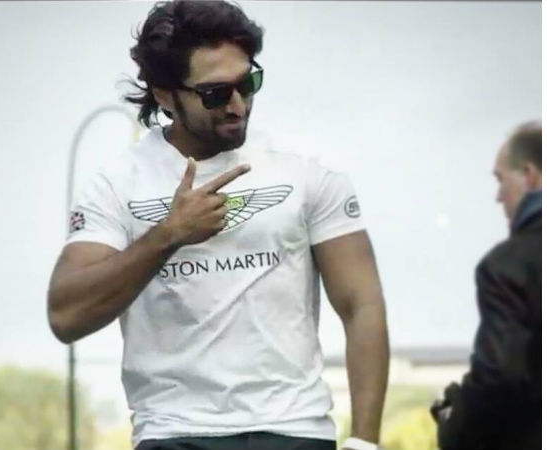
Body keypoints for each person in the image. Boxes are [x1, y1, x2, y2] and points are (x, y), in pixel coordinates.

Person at [47, 1, 389, 449]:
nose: (237, 105)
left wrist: (364, 441)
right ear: (165, 95)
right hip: (175, 433)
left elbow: (362, 305)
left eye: (247, 83)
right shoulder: (116, 186)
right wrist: (168, 235)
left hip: (293, 430)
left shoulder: (305, 176)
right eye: (215, 93)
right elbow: (66, 316)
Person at [431, 121, 541, 450]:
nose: (498, 197)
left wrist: (453, 421)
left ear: (530, 175)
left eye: (500, 179)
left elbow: (501, 378)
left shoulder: (509, 266)